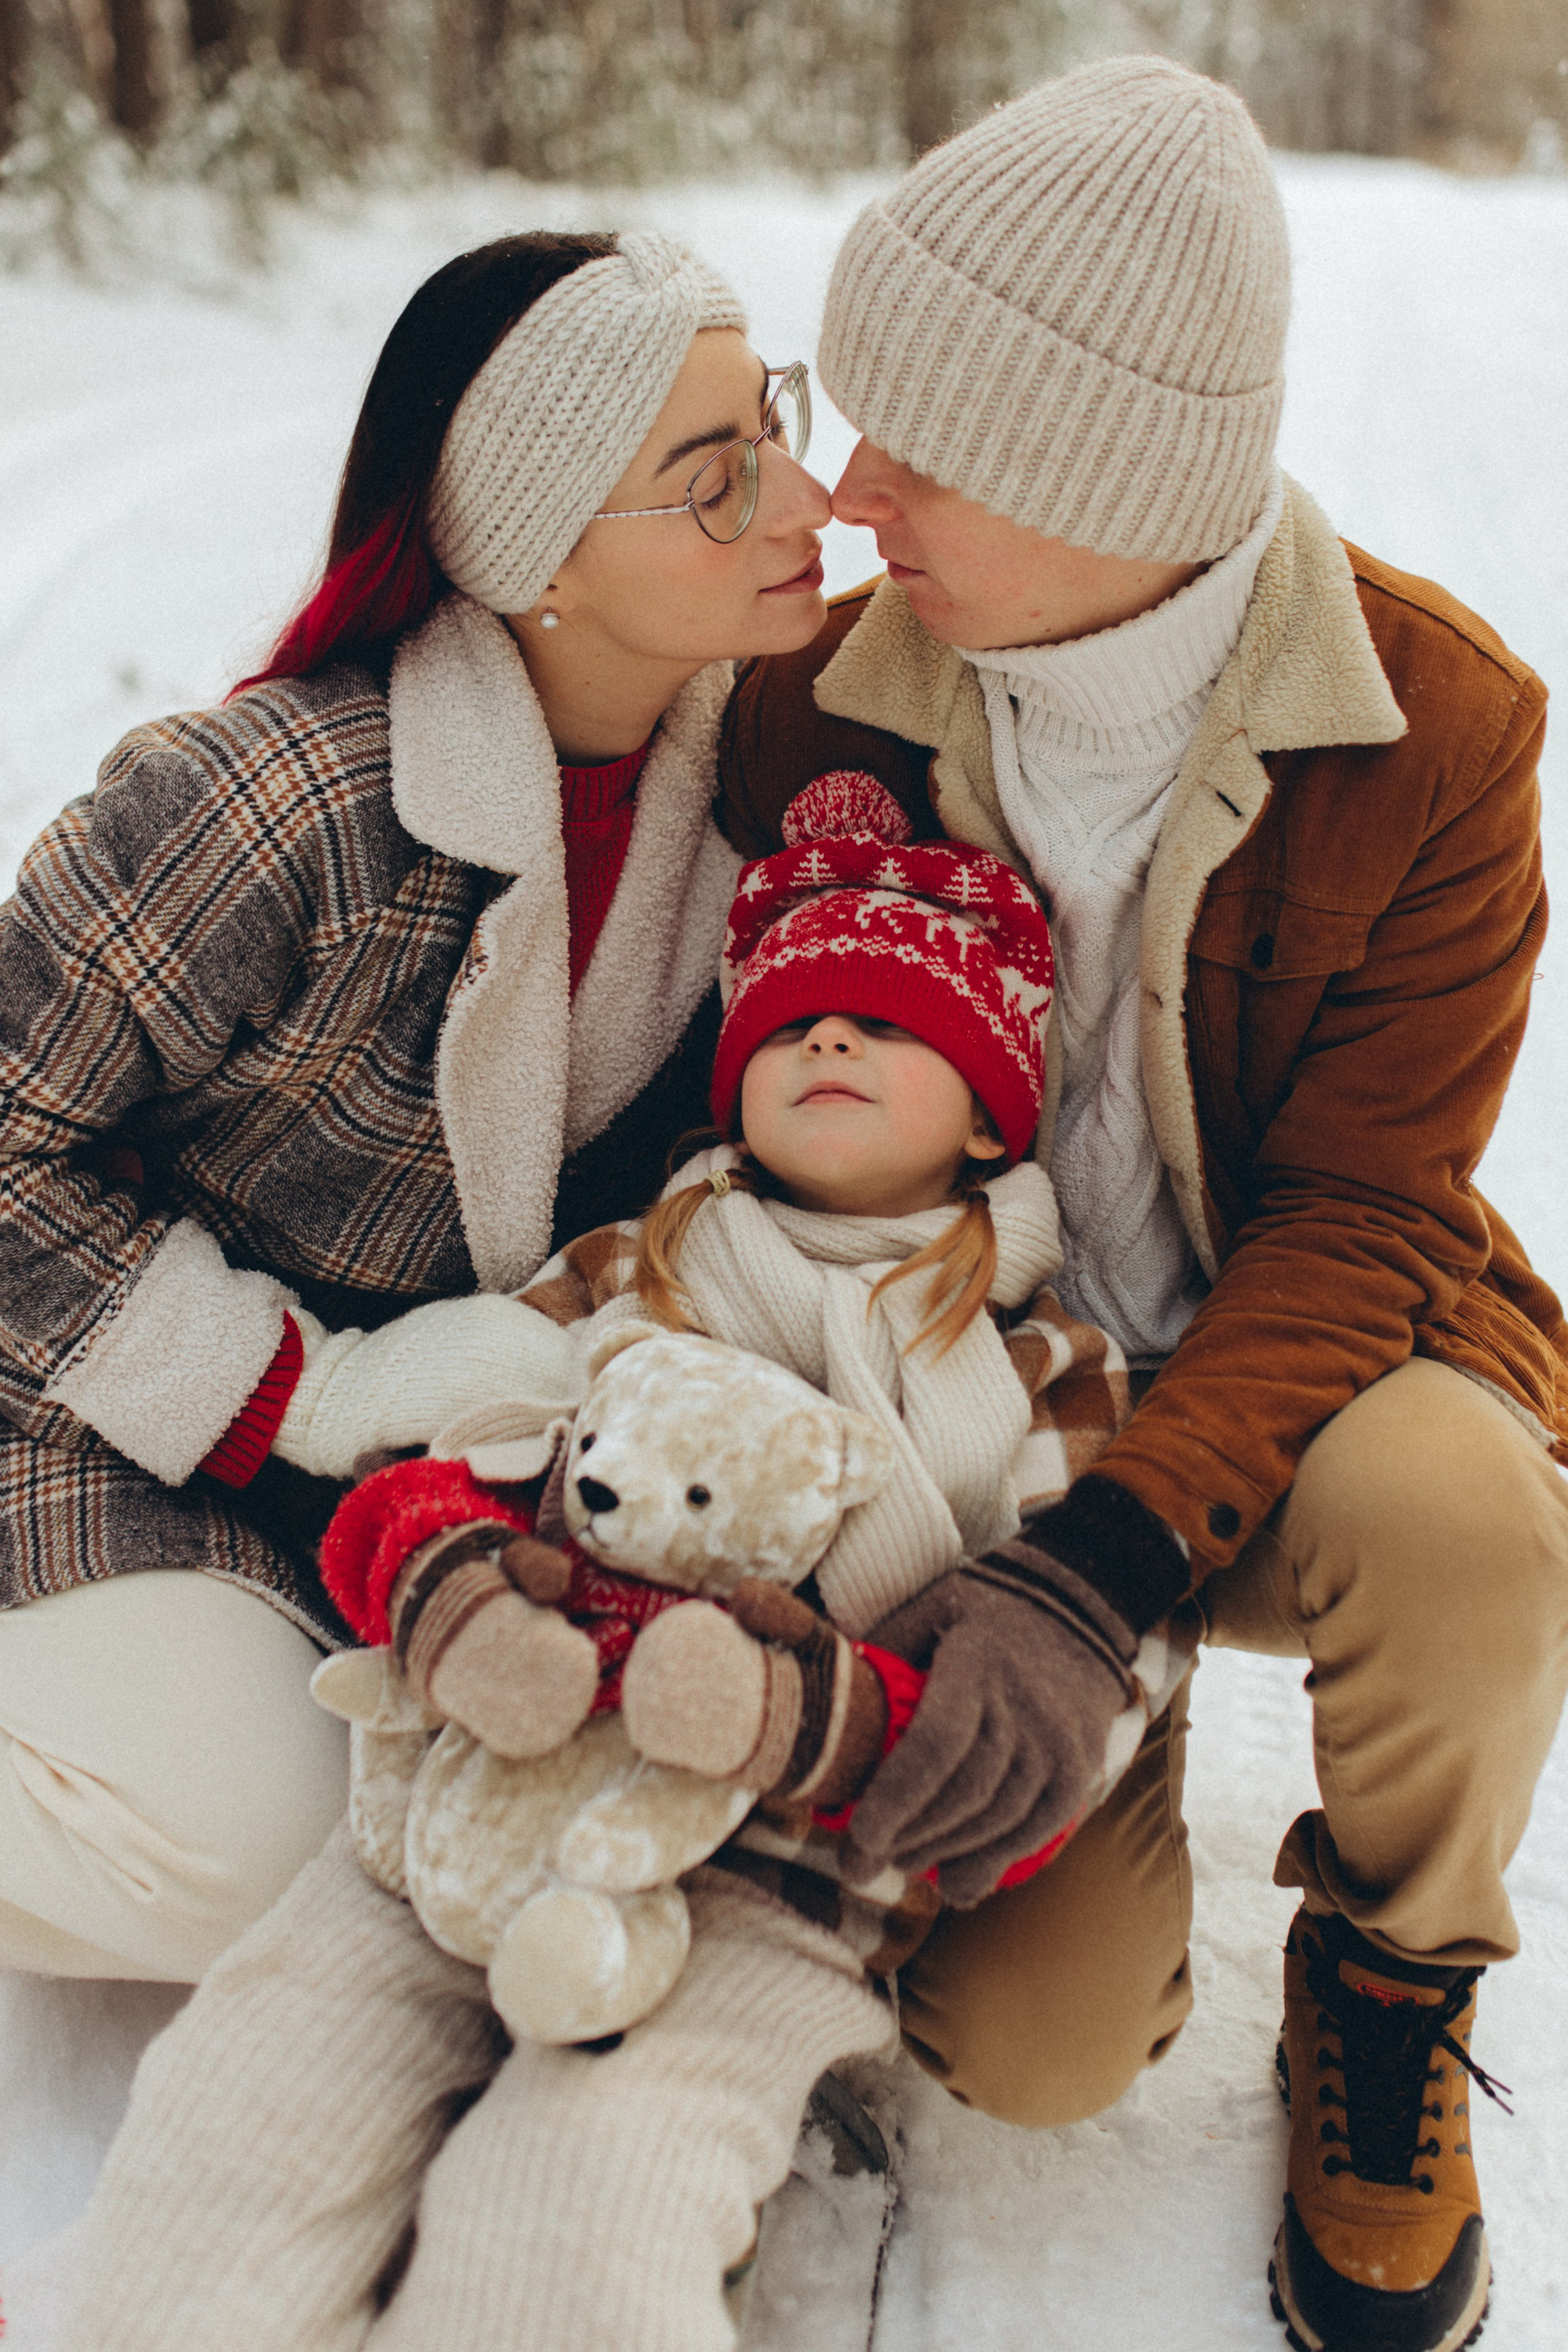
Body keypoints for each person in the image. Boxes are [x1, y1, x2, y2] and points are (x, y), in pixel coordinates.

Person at [717, 55, 1568, 2352]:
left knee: (1474, 1523)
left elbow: (1366, 1216)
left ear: (1116, 481)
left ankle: (1390, 1975)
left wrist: (1098, 1573)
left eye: (922, 447)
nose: (849, 489)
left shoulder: (1438, 731)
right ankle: (1086, 1759)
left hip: (1283, 1387)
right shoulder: (816, 702)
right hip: (960, 1414)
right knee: (1030, 2045)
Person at [56, 774, 1161, 2352]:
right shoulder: (626, 1274)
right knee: (253, 2103)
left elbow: (1058, 1709)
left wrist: (804, 1717)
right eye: (791, 1025)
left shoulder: (1050, 1375)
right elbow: (426, 1468)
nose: (827, 1043)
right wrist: (454, 1596)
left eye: (885, 1026)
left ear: (992, 1115)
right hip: (469, 1798)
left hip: (776, 1887)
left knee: (580, 2196)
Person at [0, 226, 832, 1985]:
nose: (805, 501)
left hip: (406, 1487)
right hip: (79, 1401)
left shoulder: (737, 786)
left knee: (467, 1827)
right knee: (263, 1852)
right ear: (542, 554)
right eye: (717, 477)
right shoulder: (282, 802)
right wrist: (304, 1389)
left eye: (777, 425)